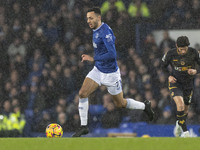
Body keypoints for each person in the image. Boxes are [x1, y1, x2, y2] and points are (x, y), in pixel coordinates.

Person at [72, 7, 154, 137]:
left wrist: (93, 58)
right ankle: (83, 127)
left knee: (120, 103)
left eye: (91, 18)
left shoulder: (105, 31)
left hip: (111, 74)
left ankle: (145, 106)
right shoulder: (95, 30)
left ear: (99, 18)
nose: (88, 21)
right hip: (98, 70)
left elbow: (112, 54)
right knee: (82, 93)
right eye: (87, 18)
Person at [161, 36, 200, 137]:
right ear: (176, 46)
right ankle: (185, 132)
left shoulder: (194, 53)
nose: (183, 51)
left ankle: (178, 124)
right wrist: (168, 76)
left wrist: (196, 71)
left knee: (185, 110)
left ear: (188, 46)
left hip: (188, 84)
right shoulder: (170, 53)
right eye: (181, 49)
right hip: (175, 82)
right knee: (180, 105)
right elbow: (162, 66)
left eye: (185, 49)